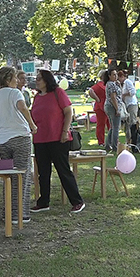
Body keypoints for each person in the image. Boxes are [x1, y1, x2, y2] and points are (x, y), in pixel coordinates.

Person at [30, 69, 85, 214]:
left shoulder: (58, 93)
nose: (37, 80)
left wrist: (65, 131)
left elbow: (68, 112)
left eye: (39, 78)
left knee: (63, 170)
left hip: (58, 138)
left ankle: (77, 201)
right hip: (40, 139)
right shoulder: (37, 97)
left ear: (47, 80)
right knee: (43, 171)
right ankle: (43, 202)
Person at [0, 67, 38, 223]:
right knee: (22, 175)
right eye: (15, 78)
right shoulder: (15, 93)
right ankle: (19, 213)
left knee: (9, 176)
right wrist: (32, 124)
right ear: (8, 78)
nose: (17, 80)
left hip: (2, 139)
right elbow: (22, 107)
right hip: (19, 136)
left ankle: (8, 212)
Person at [87, 69, 109, 147]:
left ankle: (108, 140)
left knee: (106, 124)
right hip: (101, 107)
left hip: (104, 106)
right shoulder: (101, 84)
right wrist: (97, 99)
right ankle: (101, 141)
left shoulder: (105, 84)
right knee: (101, 124)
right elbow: (90, 91)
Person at [103, 69, 123, 153]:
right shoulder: (110, 84)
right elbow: (113, 97)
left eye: (116, 74)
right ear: (109, 76)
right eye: (114, 75)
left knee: (112, 127)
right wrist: (117, 109)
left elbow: (119, 94)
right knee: (116, 127)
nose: (116, 76)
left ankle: (108, 145)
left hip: (111, 106)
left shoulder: (114, 84)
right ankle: (115, 146)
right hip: (112, 107)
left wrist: (119, 85)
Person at [119, 69, 139, 145]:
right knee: (127, 122)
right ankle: (128, 140)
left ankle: (134, 140)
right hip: (127, 104)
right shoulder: (122, 84)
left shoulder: (127, 82)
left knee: (132, 121)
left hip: (132, 104)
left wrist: (124, 95)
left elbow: (133, 92)